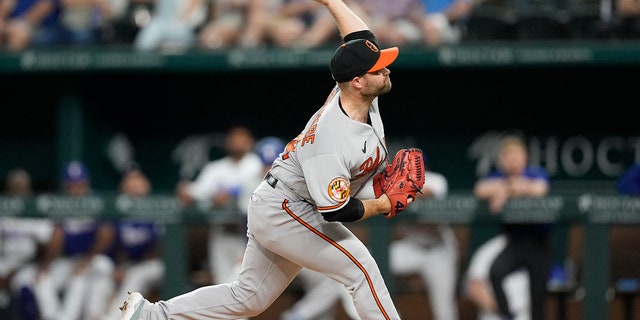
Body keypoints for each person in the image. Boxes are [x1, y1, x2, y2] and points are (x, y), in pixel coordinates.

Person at [119, 0, 411, 318]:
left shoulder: (360, 94)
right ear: (357, 81)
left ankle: (149, 315)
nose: (387, 70)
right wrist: (382, 203)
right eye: (378, 68)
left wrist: (331, 2)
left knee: (249, 297)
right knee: (361, 269)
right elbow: (337, 210)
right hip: (288, 209)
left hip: (283, 201)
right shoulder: (332, 136)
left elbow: (360, 36)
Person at [12, 160, 117, 320]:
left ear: (86, 183)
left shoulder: (96, 202)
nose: (75, 189)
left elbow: (106, 236)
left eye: (79, 184)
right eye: (71, 185)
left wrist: (87, 260)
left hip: (94, 259)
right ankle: (53, 316)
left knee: (90, 273)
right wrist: (45, 264)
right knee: (42, 278)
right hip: (69, 261)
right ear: (65, 185)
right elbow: (56, 239)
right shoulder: (61, 205)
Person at [472, 134, 552, 320]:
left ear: (525, 158)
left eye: (517, 156)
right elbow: (480, 189)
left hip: (538, 243)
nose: (513, 161)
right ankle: (506, 315)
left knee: (537, 298)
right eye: (509, 157)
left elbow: (540, 189)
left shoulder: (534, 173)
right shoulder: (499, 177)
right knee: (496, 272)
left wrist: (507, 191)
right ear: (502, 160)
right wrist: (506, 187)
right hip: (515, 243)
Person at [175, 124, 263, 286]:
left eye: (241, 138)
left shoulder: (257, 164)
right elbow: (196, 191)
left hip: (248, 231)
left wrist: (231, 193)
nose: (237, 142)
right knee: (223, 282)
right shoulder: (216, 168)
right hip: (221, 230)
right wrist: (185, 190)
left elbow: (256, 184)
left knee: (246, 281)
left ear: (250, 142)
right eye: (234, 138)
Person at [389, 168, 460, 320]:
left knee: (444, 310)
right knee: (372, 259)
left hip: (438, 250)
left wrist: (405, 193)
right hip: (412, 248)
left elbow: (431, 193)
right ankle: (387, 314)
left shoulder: (436, 179)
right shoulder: (395, 181)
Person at [103, 167, 164, 320]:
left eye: (138, 181)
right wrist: (118, 267)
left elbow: (160, 248)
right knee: (102, 270)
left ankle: (116, 318)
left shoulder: (158, 207)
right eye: (130, 182)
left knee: (136, 274)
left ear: (146, 185)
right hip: (130, 265)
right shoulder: (119, 210)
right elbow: (116, 246)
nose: (134, 185)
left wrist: (129, 267)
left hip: (158, 264)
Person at [463, 234, 531, 320]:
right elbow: (473, 289)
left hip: (524, 314)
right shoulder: (490, 249)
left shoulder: (534, 249)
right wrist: (497, 307)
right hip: (494, 316)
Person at [133, 0, 207, 51]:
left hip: (188, 31)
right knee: (155, 25)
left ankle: (137, 59)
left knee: (155, 27)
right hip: (167, 29)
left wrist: (175, 23)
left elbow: (190, 13)